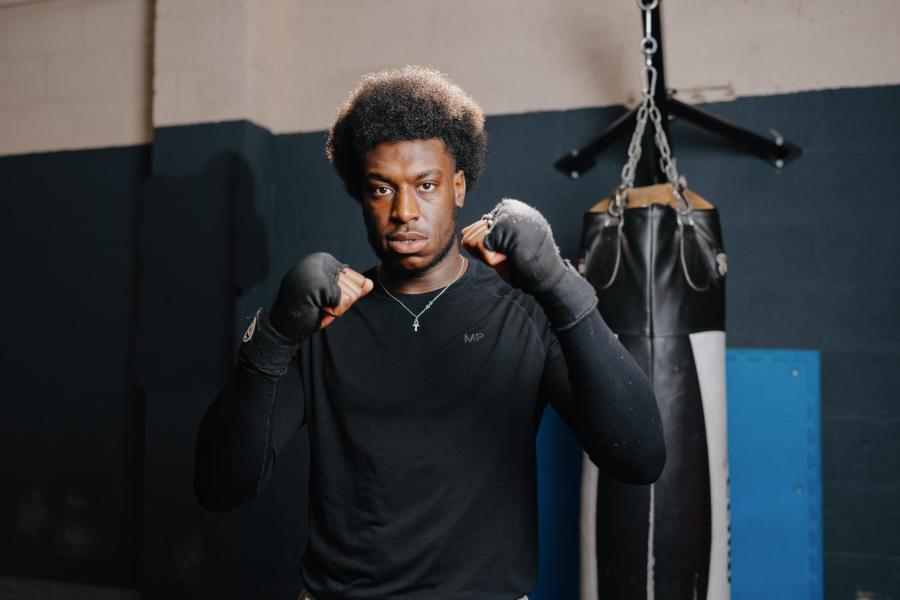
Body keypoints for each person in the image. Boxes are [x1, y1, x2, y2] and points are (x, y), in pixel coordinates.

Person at [194, 65, 665, 600]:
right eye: (381, 189)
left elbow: (641, 457)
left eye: (425, 184)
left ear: (458, 185)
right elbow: (219, 486)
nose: (404, 212)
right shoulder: (321, 320)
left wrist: (559, 284)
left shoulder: (524, 313)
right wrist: (274, 337)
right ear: (360, 195)